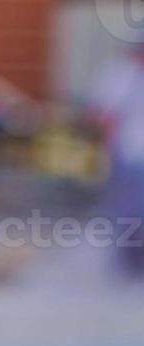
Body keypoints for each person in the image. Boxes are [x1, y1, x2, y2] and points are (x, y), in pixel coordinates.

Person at [90, 43, 144, 276]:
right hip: (130, 155)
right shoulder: (122, 73)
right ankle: (130, 262)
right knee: (131, 211)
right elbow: (103, 115)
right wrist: (107, 149)